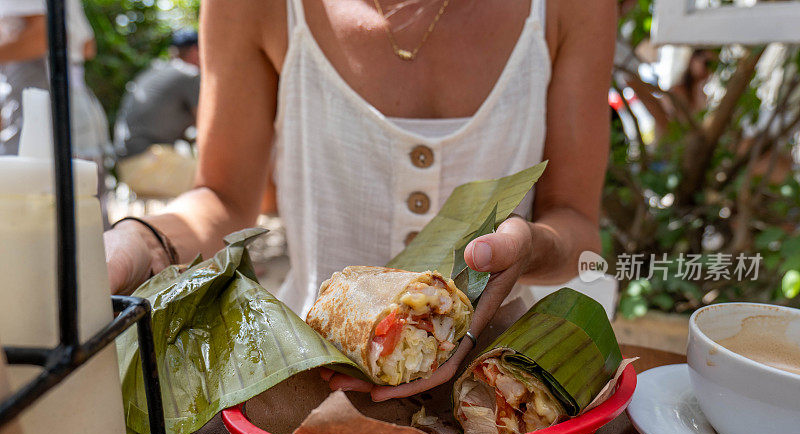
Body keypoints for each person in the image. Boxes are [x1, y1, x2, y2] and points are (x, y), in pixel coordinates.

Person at [106, 0, 616, 400]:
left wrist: (532, 246)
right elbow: (222, 198)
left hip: (497, 391)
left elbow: (575, 224)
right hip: (310, 386)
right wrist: (144, 242)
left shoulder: (569, 7)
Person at [0, 0, 112, 222]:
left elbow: (42, 35)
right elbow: (88, 46)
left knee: (24, 202)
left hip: (40, 95)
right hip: (76, 96)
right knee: (86, 209)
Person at [114, 29, 200, 199]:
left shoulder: (153, 71)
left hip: (126, 167)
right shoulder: (188, 74)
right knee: (221, 181)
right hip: (150, 164)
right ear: (195, 51)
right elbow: (208, 126)